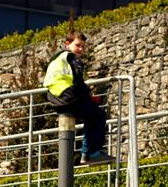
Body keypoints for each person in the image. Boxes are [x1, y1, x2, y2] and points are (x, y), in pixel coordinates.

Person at [43, 31, 115, 165]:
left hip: (55, 98)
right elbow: (78, 82)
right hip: (69, 97)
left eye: (83, 46)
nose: (81, 49)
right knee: (98, 115)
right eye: (78, 45)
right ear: (67, 44)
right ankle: (91, 154)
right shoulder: (72, 58)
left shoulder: (56, 58)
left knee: (90, 116)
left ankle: (87, 153)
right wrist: (90, 96)